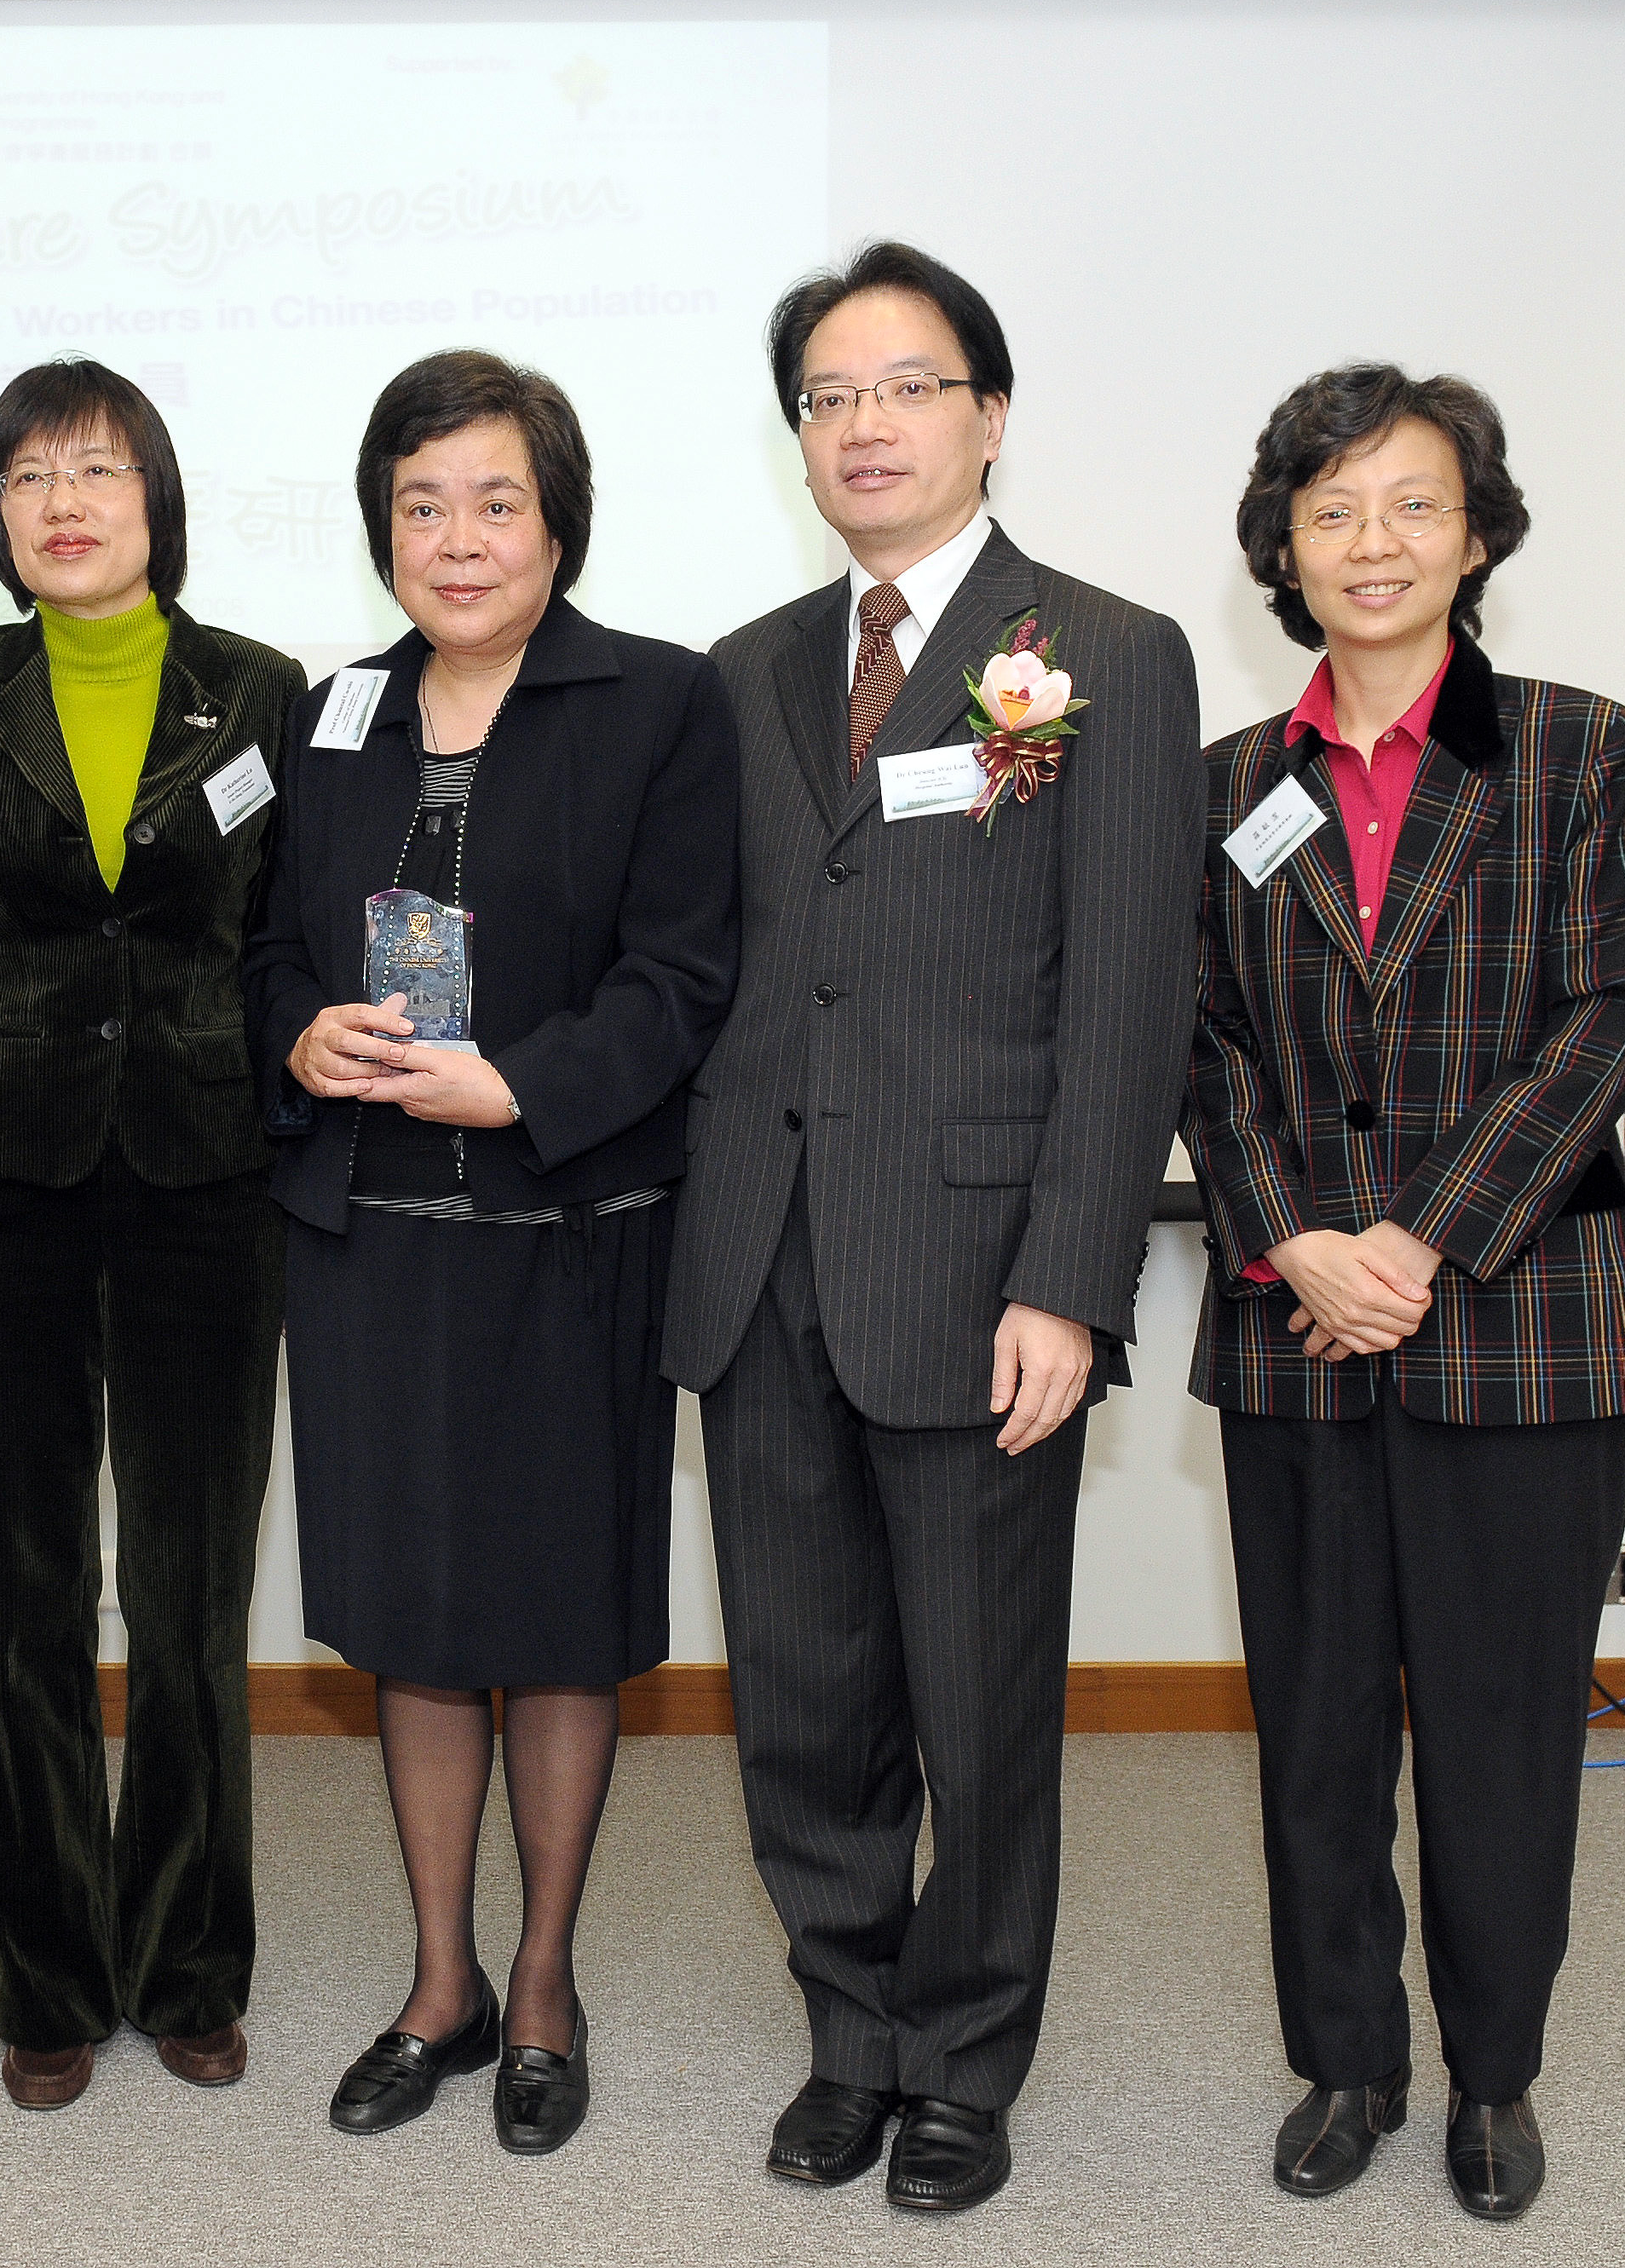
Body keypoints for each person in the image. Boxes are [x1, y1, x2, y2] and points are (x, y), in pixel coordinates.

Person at [658, 243, 1202, 2213]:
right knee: (798, 1698)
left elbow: (1129, 991)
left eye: (903, 384)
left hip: (978, 1271)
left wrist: (1073, 1271)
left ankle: (965, 2058)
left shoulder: (1108, 651)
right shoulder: (741, 669)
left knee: (979, 1708)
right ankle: (846, 2028)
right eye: (824, 394)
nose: (863, 422)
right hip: (757, 1255)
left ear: (985, 409)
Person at [1187, 366, 1625, 2223]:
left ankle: (1489, 2077)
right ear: (1280, 550)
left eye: (1408, 504)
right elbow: (1203, 1040)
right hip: (1292, 1328)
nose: (1367, 541)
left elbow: (1601, 1018)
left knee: (1498, 1733)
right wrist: (1296, 1235)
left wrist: (1419, 1240)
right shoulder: (1230, 785)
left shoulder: (1575, 745)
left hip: (1520, 1321)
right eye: (1329, 511)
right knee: (1310, 1728)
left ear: (1475, 534)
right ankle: (1345, 2061)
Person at [251, 349, 740, 2158]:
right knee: (408, 1629)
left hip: (565, 1232)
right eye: (417, 503)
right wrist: (297, 1035)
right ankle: (436, 1979)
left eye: (492, 500)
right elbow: (267, 958)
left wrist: (512, 1082)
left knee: (550, 1625)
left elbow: (684, 973)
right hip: (370, 1242)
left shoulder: (656, 704)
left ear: (558, 519)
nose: (454, 540)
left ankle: (541, 1982)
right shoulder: (327, 712)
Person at [0, 359, 303, 2113]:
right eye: (27, 472)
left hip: (209, 1188)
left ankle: (188, 1962)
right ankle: (44, 1972)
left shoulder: (260, 689)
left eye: (97, 467)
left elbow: (290, 947)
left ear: (154, 495)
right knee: (26, 1605)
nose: (63, 499)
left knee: (189, 1600)